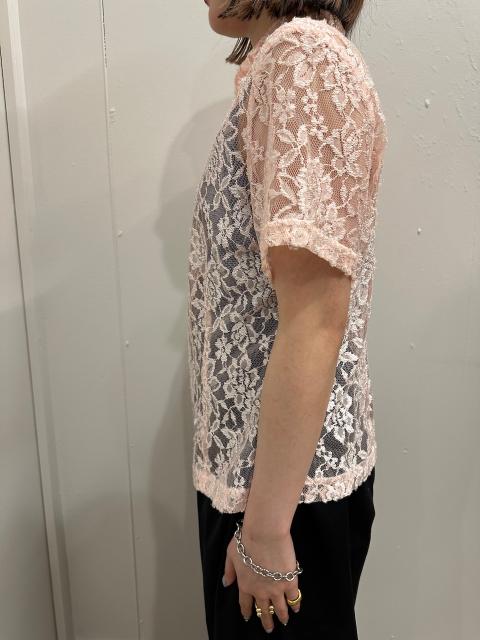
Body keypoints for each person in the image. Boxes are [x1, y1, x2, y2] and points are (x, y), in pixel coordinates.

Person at [187, 1, 388, 638]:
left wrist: (266, 533)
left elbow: (315, 319)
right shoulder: (283, 65)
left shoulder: (305, 59)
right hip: (266, 483)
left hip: (283, 502)